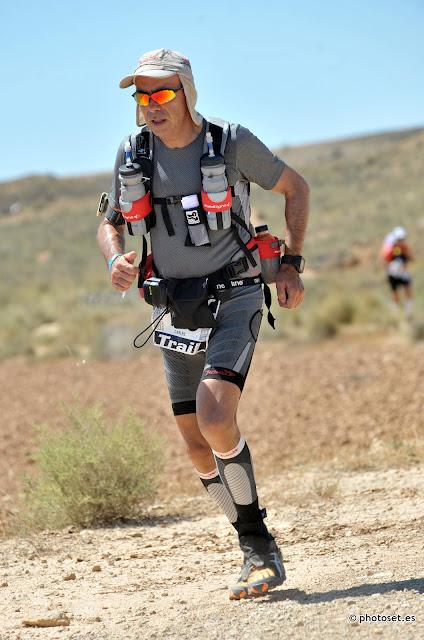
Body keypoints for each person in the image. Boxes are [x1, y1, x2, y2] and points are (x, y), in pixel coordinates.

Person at [97, 49, 309, 600]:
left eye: (162, 93)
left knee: (217, 418)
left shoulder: (232, 143)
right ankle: (248, 542)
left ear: (188, 93)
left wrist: (290, 264)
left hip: (234, 294)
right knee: (195, 446)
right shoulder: (132, 153)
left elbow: (296, 188)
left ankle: (258, 546)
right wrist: (116, 257)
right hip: (172, 306)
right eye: (140, 96)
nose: (150, 106)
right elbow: (110, 223)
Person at [380, 226, 414, 317]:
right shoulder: (391, 248)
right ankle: (395, 312)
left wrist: (405, 251)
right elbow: (385, 260)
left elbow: (411, 258)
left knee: (407, 290)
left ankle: (408, 311)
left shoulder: (404, 247)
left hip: (403, 273)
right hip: (393, 273)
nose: (401, 240)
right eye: (400, 239)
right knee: (395, 292)